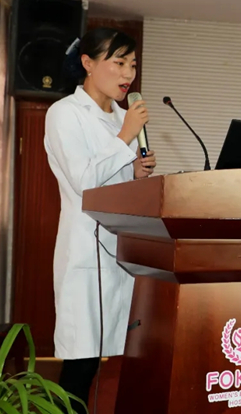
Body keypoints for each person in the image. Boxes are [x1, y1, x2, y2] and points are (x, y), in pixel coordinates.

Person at [43, 27, 156, 413]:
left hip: (122, 255)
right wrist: (124, 138)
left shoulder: (123, 119)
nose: (128, 74)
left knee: (114, 360)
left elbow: (117, 187)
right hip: (85, 256)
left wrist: (136, 174)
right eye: (119, 63)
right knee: (81, 365)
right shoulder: (64, 114)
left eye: (133, 65)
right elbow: (84, 181)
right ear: (88, 64)